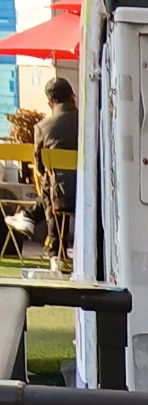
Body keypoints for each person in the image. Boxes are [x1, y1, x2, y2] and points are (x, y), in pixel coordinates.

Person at [34, 75, 77, 264]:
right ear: (73, 97)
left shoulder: (42, 127)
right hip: (91, 193)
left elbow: (40, 166)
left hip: (60, 199)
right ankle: (28, 216)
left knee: (50, 186)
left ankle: (56, 253)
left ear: (50, 104)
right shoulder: (89, 123)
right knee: (54, 185)